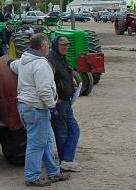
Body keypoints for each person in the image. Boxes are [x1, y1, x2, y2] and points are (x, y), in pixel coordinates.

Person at [8, 33, 70, 187]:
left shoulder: (24, 60)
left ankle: (53, 172)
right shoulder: (41, 64)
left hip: (25, 107)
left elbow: (14, 66)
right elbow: (43, 90)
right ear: (42, 46)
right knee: (36, 144)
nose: (48, 47)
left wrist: (7, 62)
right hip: (37, 108)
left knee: (47, 140)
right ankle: (32, 177)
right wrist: (52, 105)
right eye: (47, 44)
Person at [46, 36, 82, 172]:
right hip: (59, 102)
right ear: (56, 45)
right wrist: (55, 97)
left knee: (72, 129)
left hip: (67, 101)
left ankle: (66, 159)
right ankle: (65, 161)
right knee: (62, 132)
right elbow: (48, 81)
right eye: (62, 45)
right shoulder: (51, 59)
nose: (65, 47)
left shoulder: (61, 58)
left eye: (67, 45)